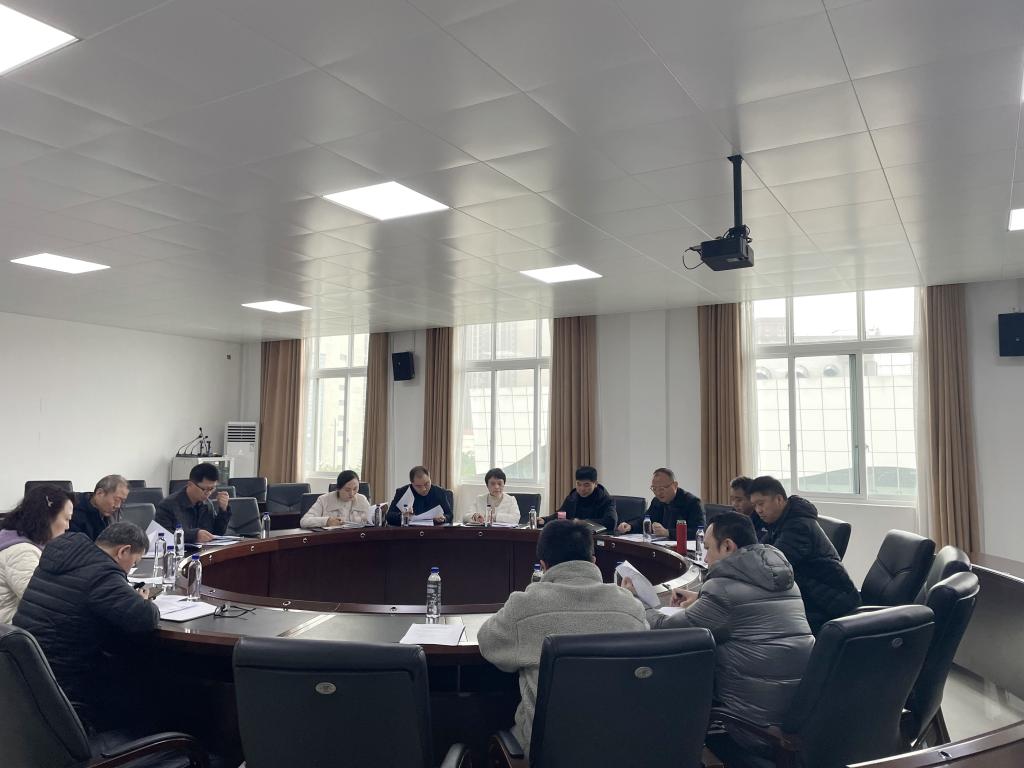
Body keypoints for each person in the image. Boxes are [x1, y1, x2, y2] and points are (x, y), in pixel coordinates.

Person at [631, 512, 813, 756]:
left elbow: (666, 630)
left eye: (708, 548)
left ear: (728, 546)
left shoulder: (722, 591)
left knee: (668, 683)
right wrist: (701, 599)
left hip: (752, 727)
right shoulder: (784, 580)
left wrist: (636, 602)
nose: (705, 558)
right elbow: (744, 608)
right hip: (798, 719)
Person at [478, 520, 647, 755]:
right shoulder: (630, 606)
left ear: (543, 566)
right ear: (593, 561)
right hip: (621, 748)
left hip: (548, 751)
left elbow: (488, 643)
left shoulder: (525, 606)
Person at [12, 522, 159, 730]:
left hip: (28, 672)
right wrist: (142, 600)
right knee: (146, 676)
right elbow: (144, 618)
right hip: (67, 681)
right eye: (134, 562)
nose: (130, 569)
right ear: (123, 551)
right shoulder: (102, 574)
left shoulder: (63, 553)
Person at [748, 476, 860, 633]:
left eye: (761, 504)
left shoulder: (798, 526)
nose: (758, 510)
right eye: (754, 506)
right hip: (811, 593)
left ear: (779, 499)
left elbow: (772, 566)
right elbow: (759, 552)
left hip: (829, 602)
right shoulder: (782, 521)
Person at [0, 485, 74, 622]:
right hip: (11, 628)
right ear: (48, 518)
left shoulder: (14, 537)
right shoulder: (22, 552)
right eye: (67, 519)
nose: (68, 526)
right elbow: (43, 603)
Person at [615, 467, 704, 539]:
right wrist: (630, 526)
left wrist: (668, 532)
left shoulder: (692, 503)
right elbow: (645, 521)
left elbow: (698, 531)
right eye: (654, 489)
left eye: (662, 489)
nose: (658, 493)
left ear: (675, 485)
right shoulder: (656, 501)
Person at [155, 462, 231, 544]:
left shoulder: (207, 504)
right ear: (190, 484)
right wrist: (194, 536)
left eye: (212, 489)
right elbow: (164, 536)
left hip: (204, 550)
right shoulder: (168, 505)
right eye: (205, 489)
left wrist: (223, 510)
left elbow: (217, 533)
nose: (208, 493)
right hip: (180, 551)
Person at [540, 466, 617, 531]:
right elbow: (562, 514)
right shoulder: (573, 497)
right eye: (578, 484)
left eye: (586, 485)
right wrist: (545, 520)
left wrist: (584, 523)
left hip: (595, 539)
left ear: (595, 484)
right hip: (574, 536)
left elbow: (611, 521)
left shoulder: (606, 499)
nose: (582, 489)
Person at [301, 469, 376, 528]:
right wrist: (327, 521)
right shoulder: (324, 500)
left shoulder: (362, 499)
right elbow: (304, 521)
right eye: (347, 490)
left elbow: (371, 520)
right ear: (338, 488)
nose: (352, 493)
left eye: (355, 489)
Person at [69, 474, 129, 541]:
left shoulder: (115, 513)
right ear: (100, 493)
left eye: (122, 501)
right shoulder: (74, 513)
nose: (118, 506)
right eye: (116, 500)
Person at [386, 466, 452, 525]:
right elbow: (389, 516)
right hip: (410, 531)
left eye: (426, 484)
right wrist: (403, 516)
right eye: (419, 486)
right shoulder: (402, 492)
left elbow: (449, 515)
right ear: (412, 483)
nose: (424, 489)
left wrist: (444, 518)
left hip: (433, 531)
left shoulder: (440, 492)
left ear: (430, 479)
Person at [728, 475, 767, 539]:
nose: (734, 504)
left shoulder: (763, 517)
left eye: (739, 500)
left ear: (751, 499)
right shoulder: (731, 517)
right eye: (732, 499)